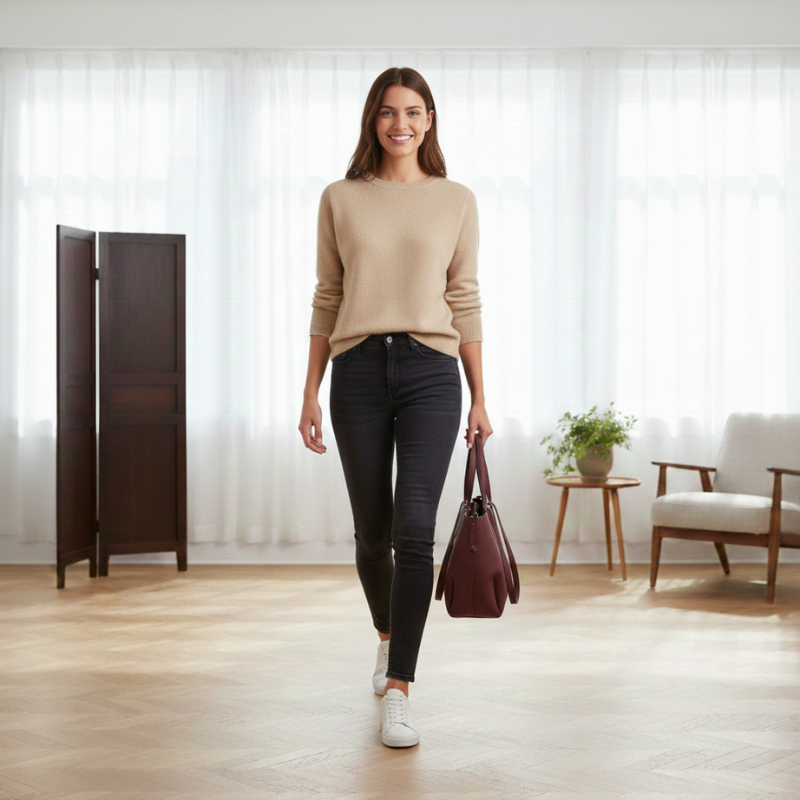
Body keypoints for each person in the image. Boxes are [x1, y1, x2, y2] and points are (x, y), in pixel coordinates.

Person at [298, 67, 492, 749]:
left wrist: (479, 396)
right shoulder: (341, 197)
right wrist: (310, 391)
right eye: (387, 112)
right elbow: (328, 295)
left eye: (413, 111)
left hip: (432, 374)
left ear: (430, 120)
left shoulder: (456, 199)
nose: (400, 123)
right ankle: (387, 636)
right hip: (354, 372)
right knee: (371, 534)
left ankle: (401, 689)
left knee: (416, 531)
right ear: (372, 120)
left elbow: (464, 297)